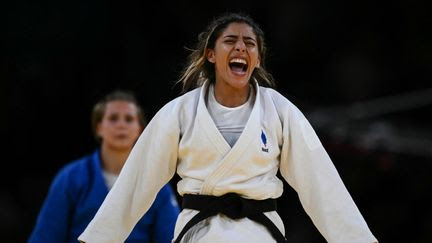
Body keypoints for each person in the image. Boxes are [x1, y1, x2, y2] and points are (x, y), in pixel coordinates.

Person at [78, 13, 378, 243]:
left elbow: (322, 184)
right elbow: (135, 183)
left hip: (260, 234)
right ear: (211, 54)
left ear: (257, 59)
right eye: (230, 41)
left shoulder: (280, 111)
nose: (241, 47)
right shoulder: (180, 113)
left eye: (250, 44)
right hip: (200, 233)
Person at [28, 90, 180, 243]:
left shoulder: (156, 182)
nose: (121, 125)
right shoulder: (70, 178)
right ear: (98, 127)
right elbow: (45, 236)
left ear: (140, 129)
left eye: (129, 119)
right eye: (113, 118)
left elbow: (170, 237)